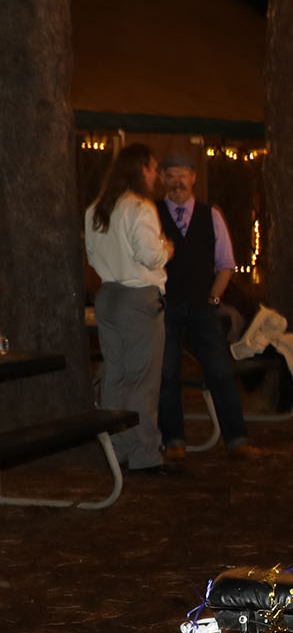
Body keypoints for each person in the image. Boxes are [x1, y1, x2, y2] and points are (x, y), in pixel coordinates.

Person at [152, 153, 264, 464]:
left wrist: (214, 298)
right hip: (166, 305)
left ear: (193, 178)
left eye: (183, 174)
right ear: (162, 179)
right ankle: (174, 439)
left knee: (220, 371)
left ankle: (237, 439)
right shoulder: (152, 215)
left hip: (203, 306)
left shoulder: (210, 215)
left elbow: (226, 263)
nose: (178, 181)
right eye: (171, 174)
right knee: (167, 372)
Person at [84, 144, 173, 477]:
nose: (155, 175)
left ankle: (117, 448)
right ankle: (145, 453)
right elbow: (149, 254)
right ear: (140, 170)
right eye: (152, 168)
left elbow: (92, 256)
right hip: (138, 299)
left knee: (115, 375)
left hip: (108, 296)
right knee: (142, 380)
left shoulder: (97, 208)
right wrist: (167, 248)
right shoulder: (139, 207)